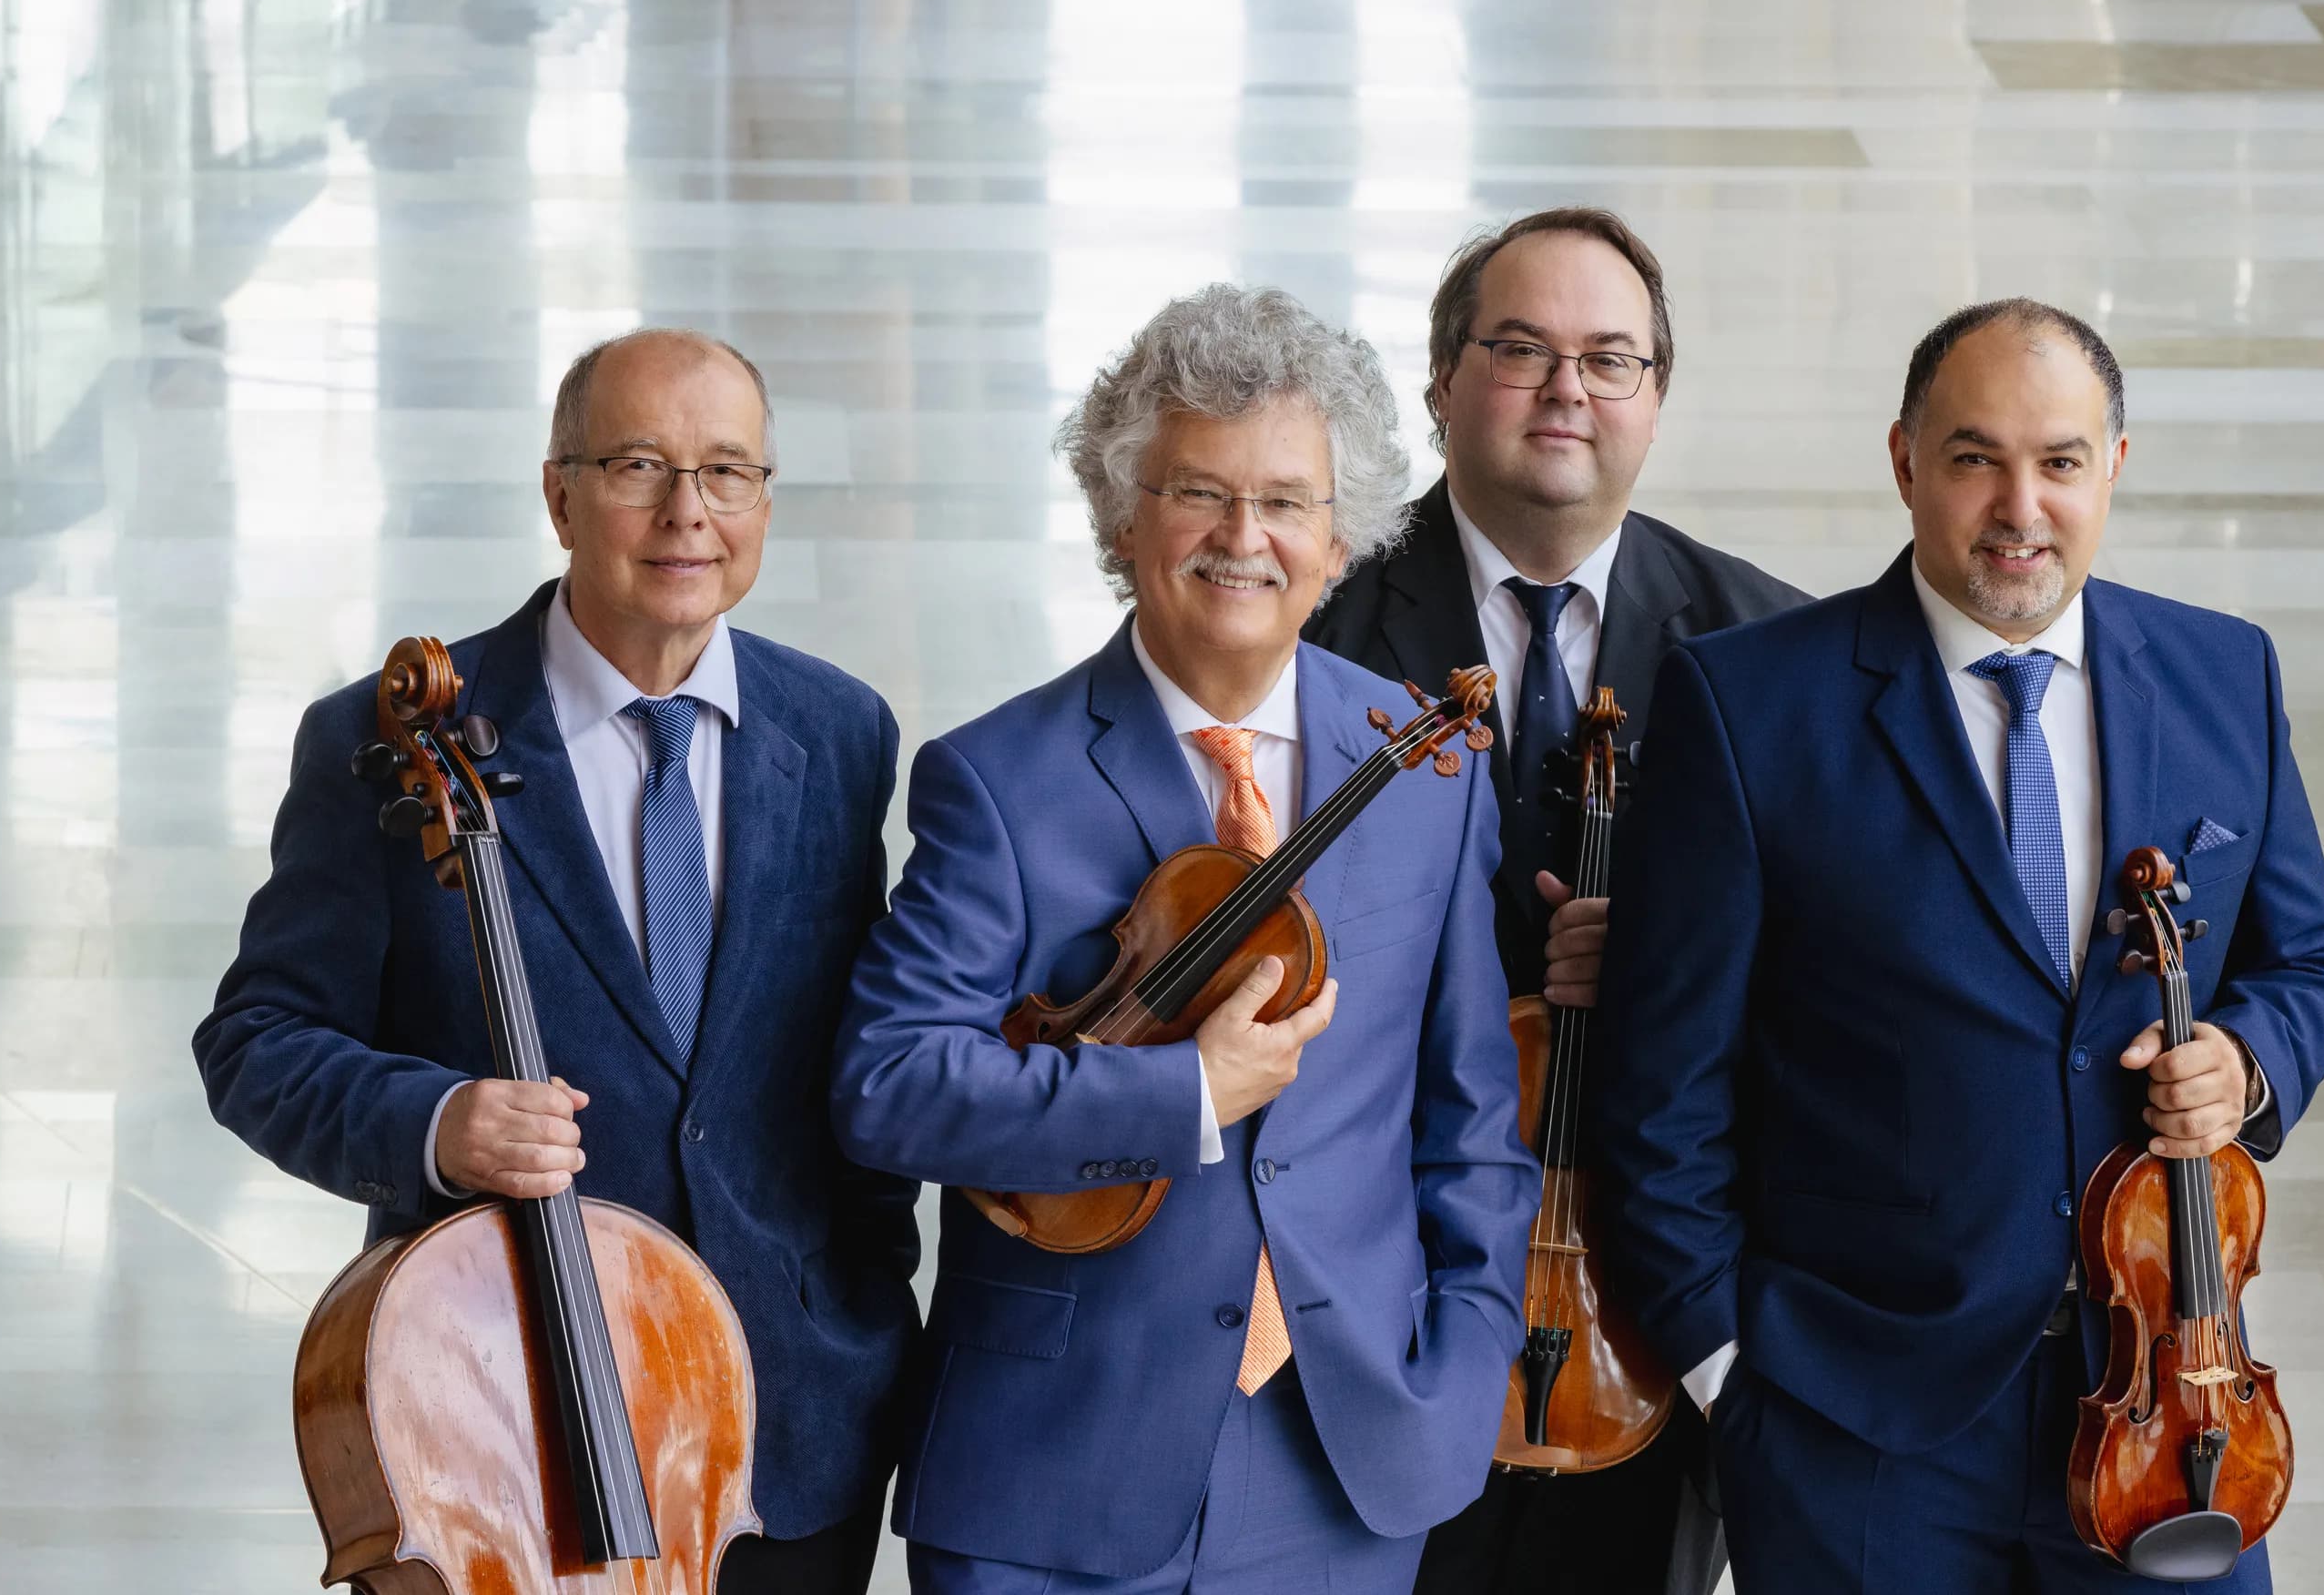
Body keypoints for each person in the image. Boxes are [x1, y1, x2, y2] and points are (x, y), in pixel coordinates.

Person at [1590, 299, 2324, 1591]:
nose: (2021, 506)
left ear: (2113, 467)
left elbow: (2314, 963)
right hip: (1857, 1430)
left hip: (2176, 1407)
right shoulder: (1749, 704)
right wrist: (1733, 1376)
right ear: (1904, 462)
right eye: (1974, 458)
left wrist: (2249, 1056)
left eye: (2060, 462)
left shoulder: (2227, 671)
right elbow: (1659, 1082)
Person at [830, 284, 1537, 1593]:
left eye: (1287, 502)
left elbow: (1470, 1119)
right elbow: (889, 1089)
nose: (1243, 537)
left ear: (1343, 540)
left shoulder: (1424, 769)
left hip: (1345, 1464)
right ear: (1121, 516)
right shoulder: (997, 778)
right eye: (1196, 492)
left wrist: (1461, 1362)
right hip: (1055, 1473)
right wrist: (1179, 1093)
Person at [194, 328, 917, 1595]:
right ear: (558, 492)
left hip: (787, 1432)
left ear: (764, 498)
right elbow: (257, 1040)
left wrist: (863, 1311)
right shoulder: (381, 737)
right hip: (504, 1422)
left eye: (727, 473)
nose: (687, 513)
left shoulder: (840, 730)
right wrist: (437, 1120)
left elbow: (843, 1070)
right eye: (638, 465)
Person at [1304, 206, 1802, 1595]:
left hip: (1644, 1300)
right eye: (1520, 349)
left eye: (1609, 358)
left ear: (1657, 395)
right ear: (1442, 381)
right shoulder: (1312, 618)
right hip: (1365, 1292)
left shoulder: (1771, 651)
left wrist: (1676, 964)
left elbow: (1848, 977)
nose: (1567, 389)